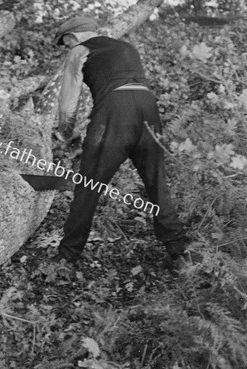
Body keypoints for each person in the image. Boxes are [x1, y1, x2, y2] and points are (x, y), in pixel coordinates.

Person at [52, 16, 187, 265]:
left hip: (115, 111)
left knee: (88, 185)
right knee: (157, 183)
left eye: (66, 44)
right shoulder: (125, 47)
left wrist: (66, 132)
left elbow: (68, 99)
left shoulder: (80, 50)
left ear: (71, 37)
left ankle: (66, 256)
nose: (68, 49)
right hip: (148, 108)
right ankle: (179, 251)